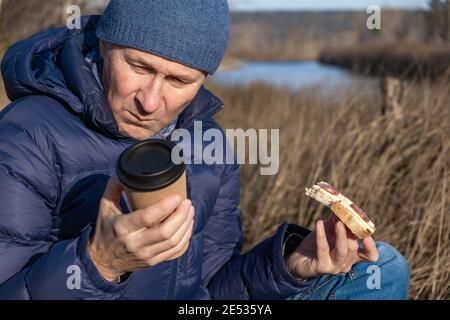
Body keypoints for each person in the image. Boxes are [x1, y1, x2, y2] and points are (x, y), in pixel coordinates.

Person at [0, 0, 409, 300]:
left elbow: (216, 290)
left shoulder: (207, 145)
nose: (150, 101)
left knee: (383, 267)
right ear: (105, 46)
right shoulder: (29, 133)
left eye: (179, 80)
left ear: (204, 78)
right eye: (139, 67)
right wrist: (101, 263)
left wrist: (289, 267)